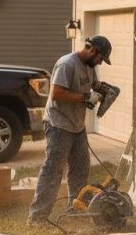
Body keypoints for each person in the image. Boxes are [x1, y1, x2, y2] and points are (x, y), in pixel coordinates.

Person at [27, 35, 113, 224]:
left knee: (80, 169)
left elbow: (93, 86)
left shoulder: (89, 67)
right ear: (92, 50)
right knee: (53, 170)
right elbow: (56, 93)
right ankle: (37, 217)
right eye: (100, 58)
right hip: (58, 125)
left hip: (77, 126)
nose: (100, 63)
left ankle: (75, 210)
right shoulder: (67, 64)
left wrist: (104, 89)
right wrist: (85, 98)